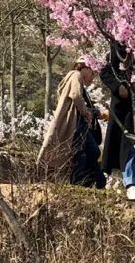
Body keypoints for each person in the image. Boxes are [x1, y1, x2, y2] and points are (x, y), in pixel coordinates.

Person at [38, 58, 106, 189]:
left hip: (75, 123)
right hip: (75, 123)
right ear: (86, 68)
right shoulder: (76, 75)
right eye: (92, 73)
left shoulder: (73, 78)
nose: (93, 78)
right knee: (85, 152)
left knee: (85, 151)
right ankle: (82, 183)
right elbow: (75, 95)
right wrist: (86, 112)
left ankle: (90, 182)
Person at [100, 42, 135, 201]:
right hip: (125, 107)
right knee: (127, 143)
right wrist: (118, 86)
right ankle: (130, 182)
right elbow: (106, 71)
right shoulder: (118, 47)